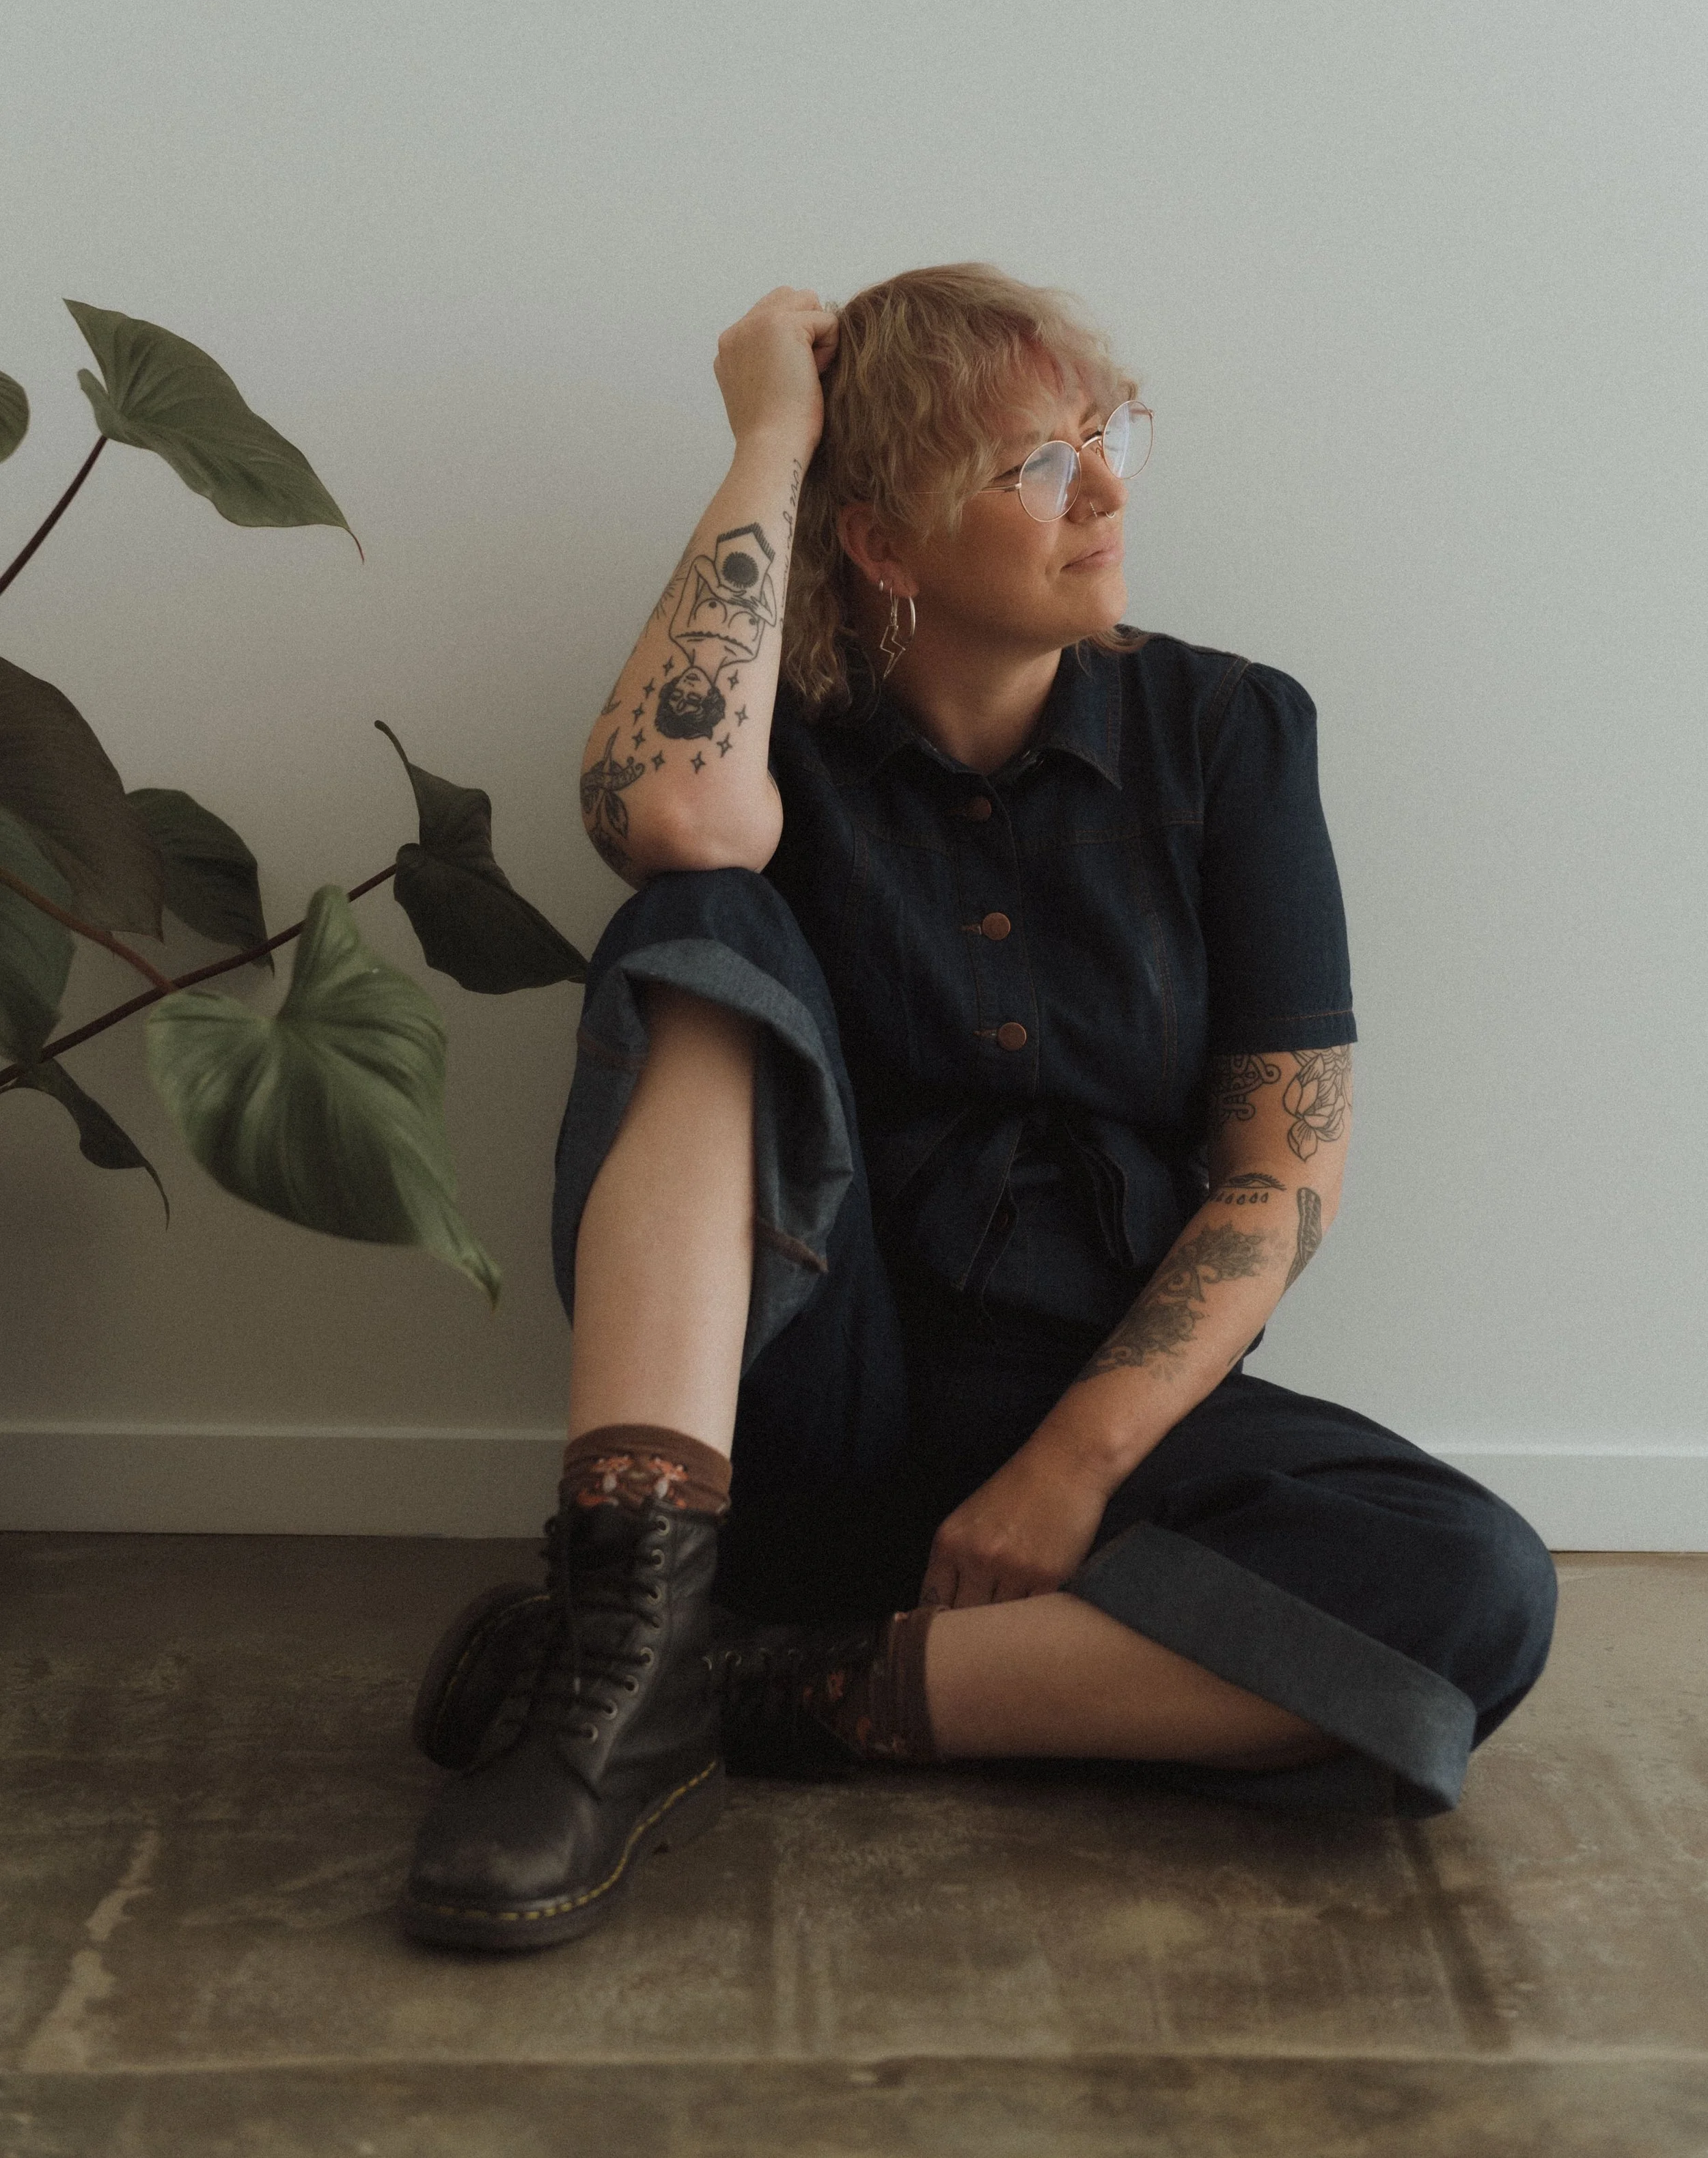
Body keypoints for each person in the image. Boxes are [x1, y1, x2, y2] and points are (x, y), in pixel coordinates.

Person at [400, 267, 1558, 1954]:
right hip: (811, 1380)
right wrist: (766, 443)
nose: (1102, 493)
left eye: (1105, 439)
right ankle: (624, 1628)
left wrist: (1070, 1471)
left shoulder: (1230, 731)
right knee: (692, 927)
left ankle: (752, 1689)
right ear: (877, 543)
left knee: (1474, 1594)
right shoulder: (771, 743)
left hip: (1101, 1391)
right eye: (1034, 467)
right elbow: (663, 812)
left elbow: (1278, 1168)